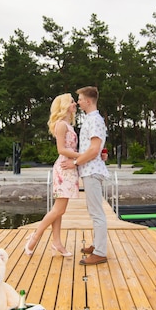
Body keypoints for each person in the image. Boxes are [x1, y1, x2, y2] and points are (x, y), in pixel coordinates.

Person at [24, 93, 80, 257]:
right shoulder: (61, 125)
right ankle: (35, 237)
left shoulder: (69, 125)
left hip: (69, 168)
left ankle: (57, 243)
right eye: (72, 102)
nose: (75, 104)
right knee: (59, 209)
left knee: (59, 210)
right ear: (64, 106)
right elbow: (61, 149)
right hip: (64, 168)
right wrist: (82, 155)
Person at [62, 86, 110, 265]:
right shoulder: (92, 119)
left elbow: (94, 149)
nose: (78, 102)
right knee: (94, 210)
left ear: (88, 101)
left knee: (97, 213)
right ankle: (97, 245)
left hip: (92, 171)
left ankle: (100, 252)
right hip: (90, 170)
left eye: (80, 99)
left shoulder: (94, 120)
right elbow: (98, 148)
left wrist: (74, 163)